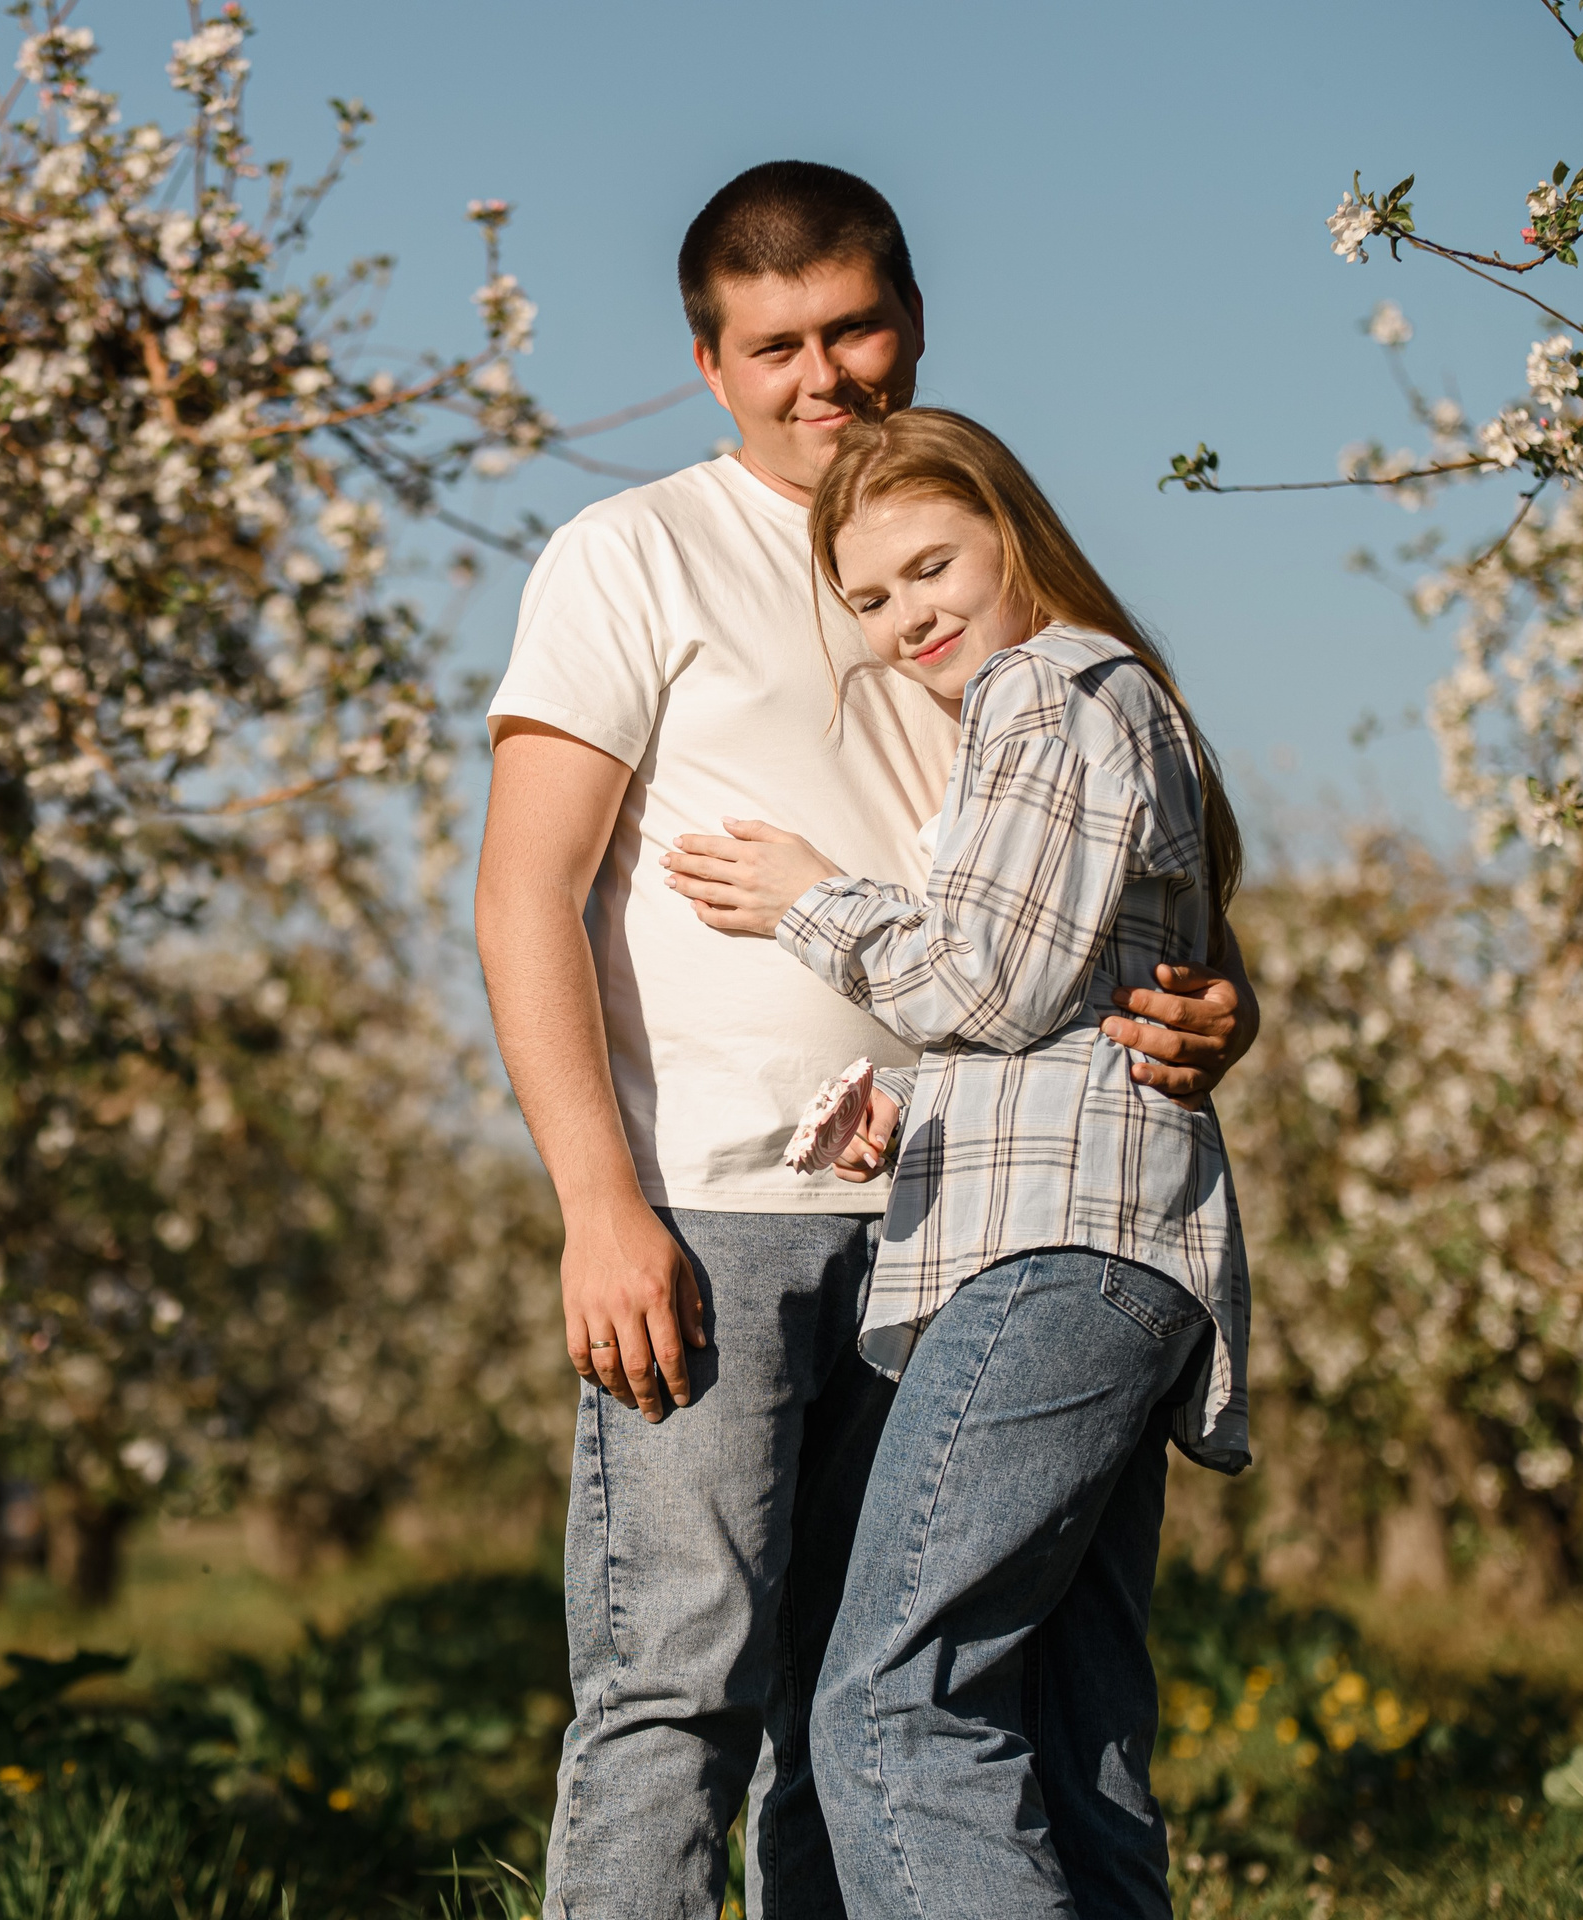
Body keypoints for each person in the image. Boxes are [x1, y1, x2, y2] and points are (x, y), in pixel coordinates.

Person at [472, 161, 1258, 1920]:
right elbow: (525, 894)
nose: (820, 375)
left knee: (883, 1701)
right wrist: (600, 1207)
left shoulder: (969, 560)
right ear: (710, 364)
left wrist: (1223, 1004)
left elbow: (1115, 880)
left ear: (910, 320)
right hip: (718, 1211)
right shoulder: (633, 554)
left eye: (852, 329)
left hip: (963, 1223)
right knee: (679, 1682)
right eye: (775, 347)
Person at [663, 407, 1251, 1918]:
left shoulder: (1042, 688)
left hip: (1051, 1258)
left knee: (888, 1700)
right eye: (869, 597)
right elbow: (1066, 1004)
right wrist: (918, 1113)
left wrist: (807, 897)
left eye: (932, 567)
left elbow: (986, 979)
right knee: (1071, 1725)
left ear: (1012, 532)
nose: (907, 618)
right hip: (1114, 1242)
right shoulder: (1117, 699)